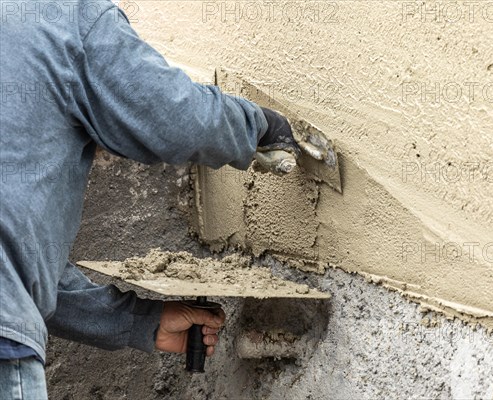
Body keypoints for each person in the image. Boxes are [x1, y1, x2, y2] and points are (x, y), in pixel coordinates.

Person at [0, 0, 300, 398]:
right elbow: (172, 119)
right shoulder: (60, 14)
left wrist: (141, 322)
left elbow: (17, 265)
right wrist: (259, 127)